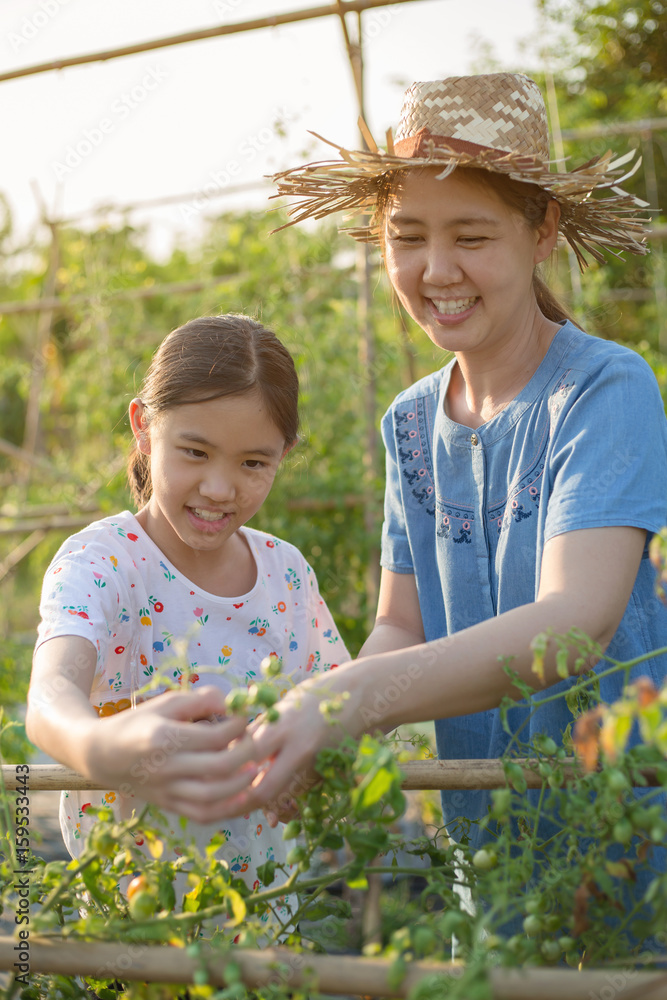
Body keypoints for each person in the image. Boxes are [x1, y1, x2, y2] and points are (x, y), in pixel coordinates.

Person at [236, 73, 667, 853]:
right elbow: (400, 624)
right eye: (407, 237)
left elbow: (571, 627)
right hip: (485, 843)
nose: (436, 270)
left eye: (470, 238)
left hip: (624, 837)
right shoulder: (409, 423)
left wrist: (343, 701)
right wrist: (325, 721)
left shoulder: (603, 392)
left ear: (541, 233)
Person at [26, 314, 348, 913]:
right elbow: (50, 700)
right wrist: (98, 747)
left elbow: (340, 702)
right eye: (195, 452)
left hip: (265, 907)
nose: (221, 488)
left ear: (285, 454)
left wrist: (322, 758)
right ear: (144, 427)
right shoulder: (103, 565)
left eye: (254, 463)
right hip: (131, 918)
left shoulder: (286, 573)